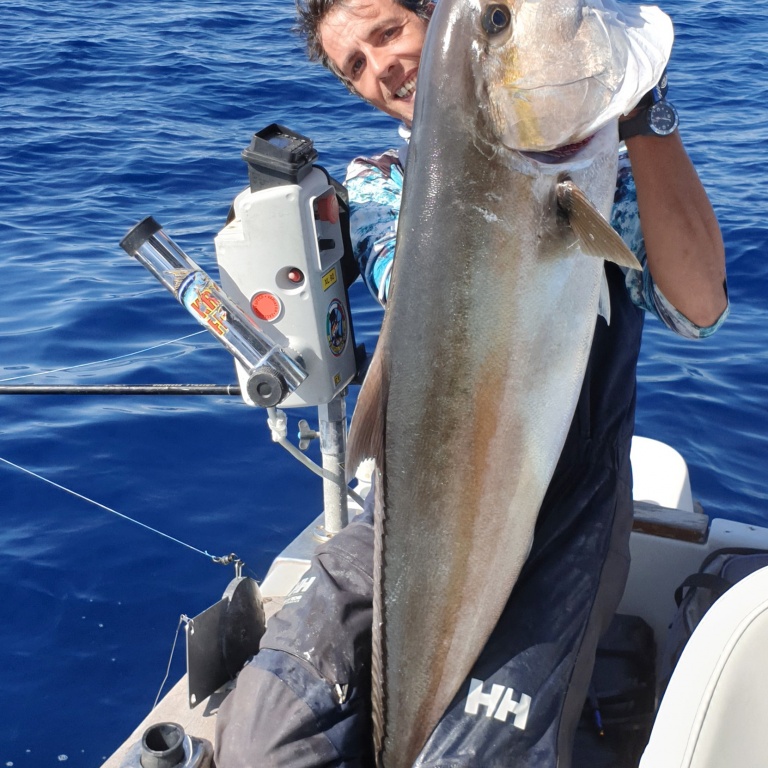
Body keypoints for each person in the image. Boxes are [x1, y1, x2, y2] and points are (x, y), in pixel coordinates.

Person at [214, 0, 728, 765]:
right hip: (408, 515)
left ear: (428, 17)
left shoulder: (604, 175)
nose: (381, 66)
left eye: (388, 31)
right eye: (355, 64)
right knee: (259, 738)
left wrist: (643, 117)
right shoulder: (383, 187)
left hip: (570, 516)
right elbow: (417, 290)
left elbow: (699, 306)